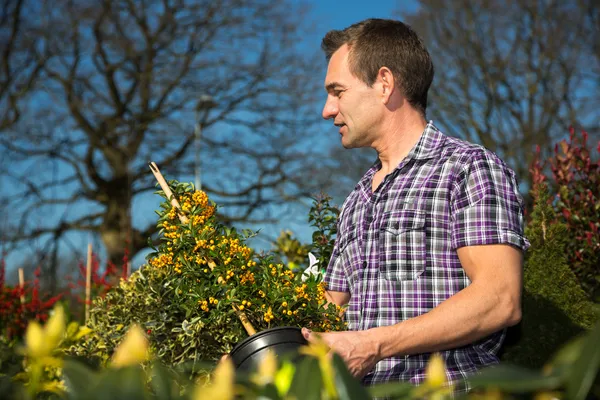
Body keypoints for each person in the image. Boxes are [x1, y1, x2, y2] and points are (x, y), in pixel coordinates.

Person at [301, 18, 530, 390]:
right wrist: (256, 347)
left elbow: (500, 298)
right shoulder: (357, 200)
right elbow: (324, 311)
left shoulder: (467, 169)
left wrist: (374, 345)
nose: (327, 110)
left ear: (385, 84)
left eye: (337, 91)